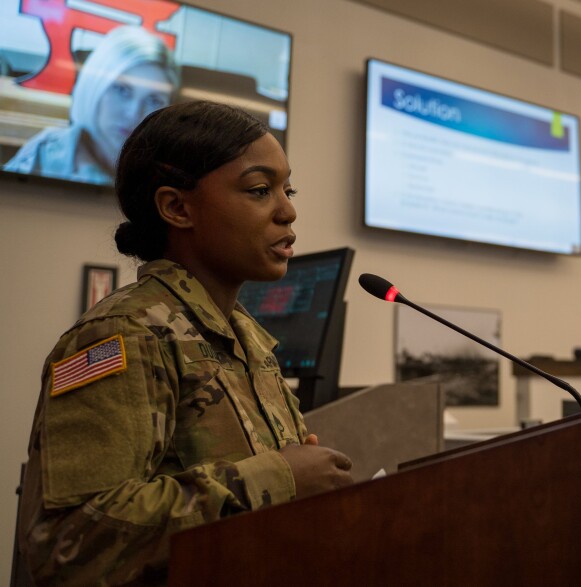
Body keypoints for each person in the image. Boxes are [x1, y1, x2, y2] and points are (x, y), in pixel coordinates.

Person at [17, 100, 354, 585]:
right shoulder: (121, 335)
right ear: (177, 207)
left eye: (288, 188)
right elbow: (70, 543)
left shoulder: (244, 339)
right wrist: (281, 477)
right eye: (260, 190)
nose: (287, 210)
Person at [4, 25, 178, 185]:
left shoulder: (169, 177)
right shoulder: (45, 154)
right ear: (95, 87)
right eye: (122, 90)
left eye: (154, 100)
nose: (134, 113)